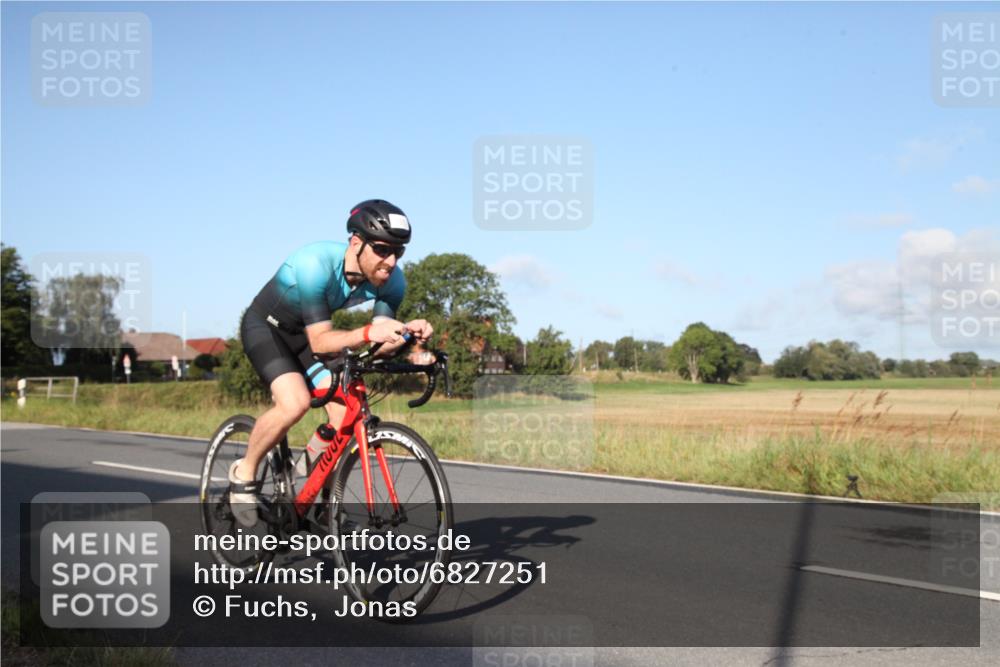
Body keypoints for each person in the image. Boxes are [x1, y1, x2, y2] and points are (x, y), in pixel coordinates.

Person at [229, 199, 433, 526]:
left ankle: (311, 487)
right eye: (382, 250)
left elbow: (376, 347)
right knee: (294, 403)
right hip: (267, 329)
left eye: (399, 252)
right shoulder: (315, 263)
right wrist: (370, 330)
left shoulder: (394, 282)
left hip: (310, 336)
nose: (391, 261)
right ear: (356, 243)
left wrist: (406, 335)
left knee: (343, 414)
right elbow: (322, 342)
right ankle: (244, 473)